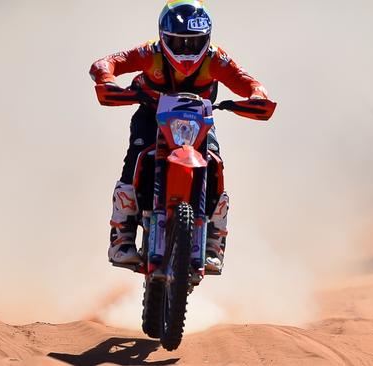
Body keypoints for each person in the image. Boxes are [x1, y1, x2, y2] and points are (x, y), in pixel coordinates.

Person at [90, 0, 271, 273]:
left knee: (215, 163)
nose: (186, 50)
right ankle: (122, 237)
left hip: (198, 121)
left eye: (193, 42)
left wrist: (258, 95)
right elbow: (107, 63)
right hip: (152, 115)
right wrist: (107, 79)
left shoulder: (216, 58)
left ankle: (213, 242)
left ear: (206, 39)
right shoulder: (149, 52)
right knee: (136, 158)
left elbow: (248, 81)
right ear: (164, 38)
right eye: (178, 42)